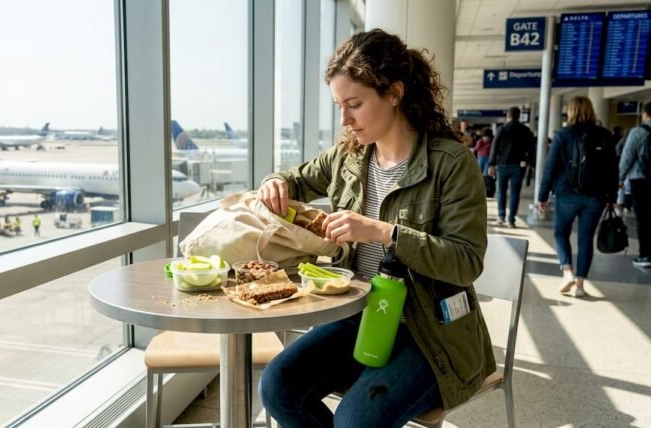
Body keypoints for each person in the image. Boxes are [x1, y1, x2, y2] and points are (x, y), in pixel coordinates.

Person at [256, 29, 494, 427]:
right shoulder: (346, 158)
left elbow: (466, 262)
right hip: (360, 316)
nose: (345, 120)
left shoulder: (452, 163)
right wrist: (274, 182)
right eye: (339, 106)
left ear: (395, 93)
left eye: (354, 104)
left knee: (354, 421)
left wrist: (384, 233)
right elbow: (293, 179)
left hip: (429, 334)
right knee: (277, 386)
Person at [537, 96, 618, 297]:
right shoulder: (605, 135)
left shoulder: (563, 135)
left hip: (567, 193)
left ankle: (567, 272)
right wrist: (613, 196)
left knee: (560, 233)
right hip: (596, 196)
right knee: (586, 238)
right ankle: (580, 286)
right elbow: (612, 169)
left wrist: (542, 196)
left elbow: (551, 168)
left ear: (571, 111)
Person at [488, 106, 536, 228]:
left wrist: (491, 164)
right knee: (515, 193)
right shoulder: (525, 130)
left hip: (502, 165)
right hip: (518, 166)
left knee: (501, 191)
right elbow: (531, 148)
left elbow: (494, 147)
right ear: (519, 116)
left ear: (508, 116)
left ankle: (501, 216)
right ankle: (511, 220)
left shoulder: (502, 129)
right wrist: (532, 163)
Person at [619, 103, 651, 268]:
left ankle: (645, 255)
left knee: (643, 219)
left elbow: (627, 157)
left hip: (641, 180)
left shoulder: (638, 132)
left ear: (645, 115)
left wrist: (619, 179)